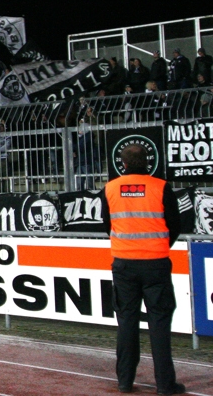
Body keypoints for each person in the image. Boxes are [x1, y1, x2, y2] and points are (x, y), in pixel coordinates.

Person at [100, 145, 185, 394]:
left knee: (126, 321)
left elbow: (108, 225)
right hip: (156, 264)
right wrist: (158, 246)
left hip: (124, 264)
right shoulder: (161, 186)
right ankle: (165, 385)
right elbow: (175, 225)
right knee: (159, 323)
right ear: (148, 162)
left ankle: (125, 381)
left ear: (123, 164)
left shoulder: (110, 188)